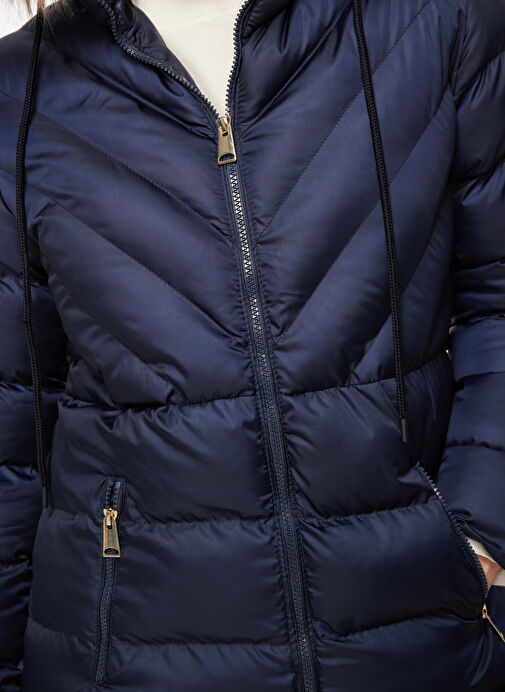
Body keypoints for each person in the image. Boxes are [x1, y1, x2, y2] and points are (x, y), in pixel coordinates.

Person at [1, 0, 505, 689]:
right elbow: (13, 422)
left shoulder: (432, 21)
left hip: (418, 632)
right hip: (124, 653)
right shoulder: (21, 91)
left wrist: (478, 533)